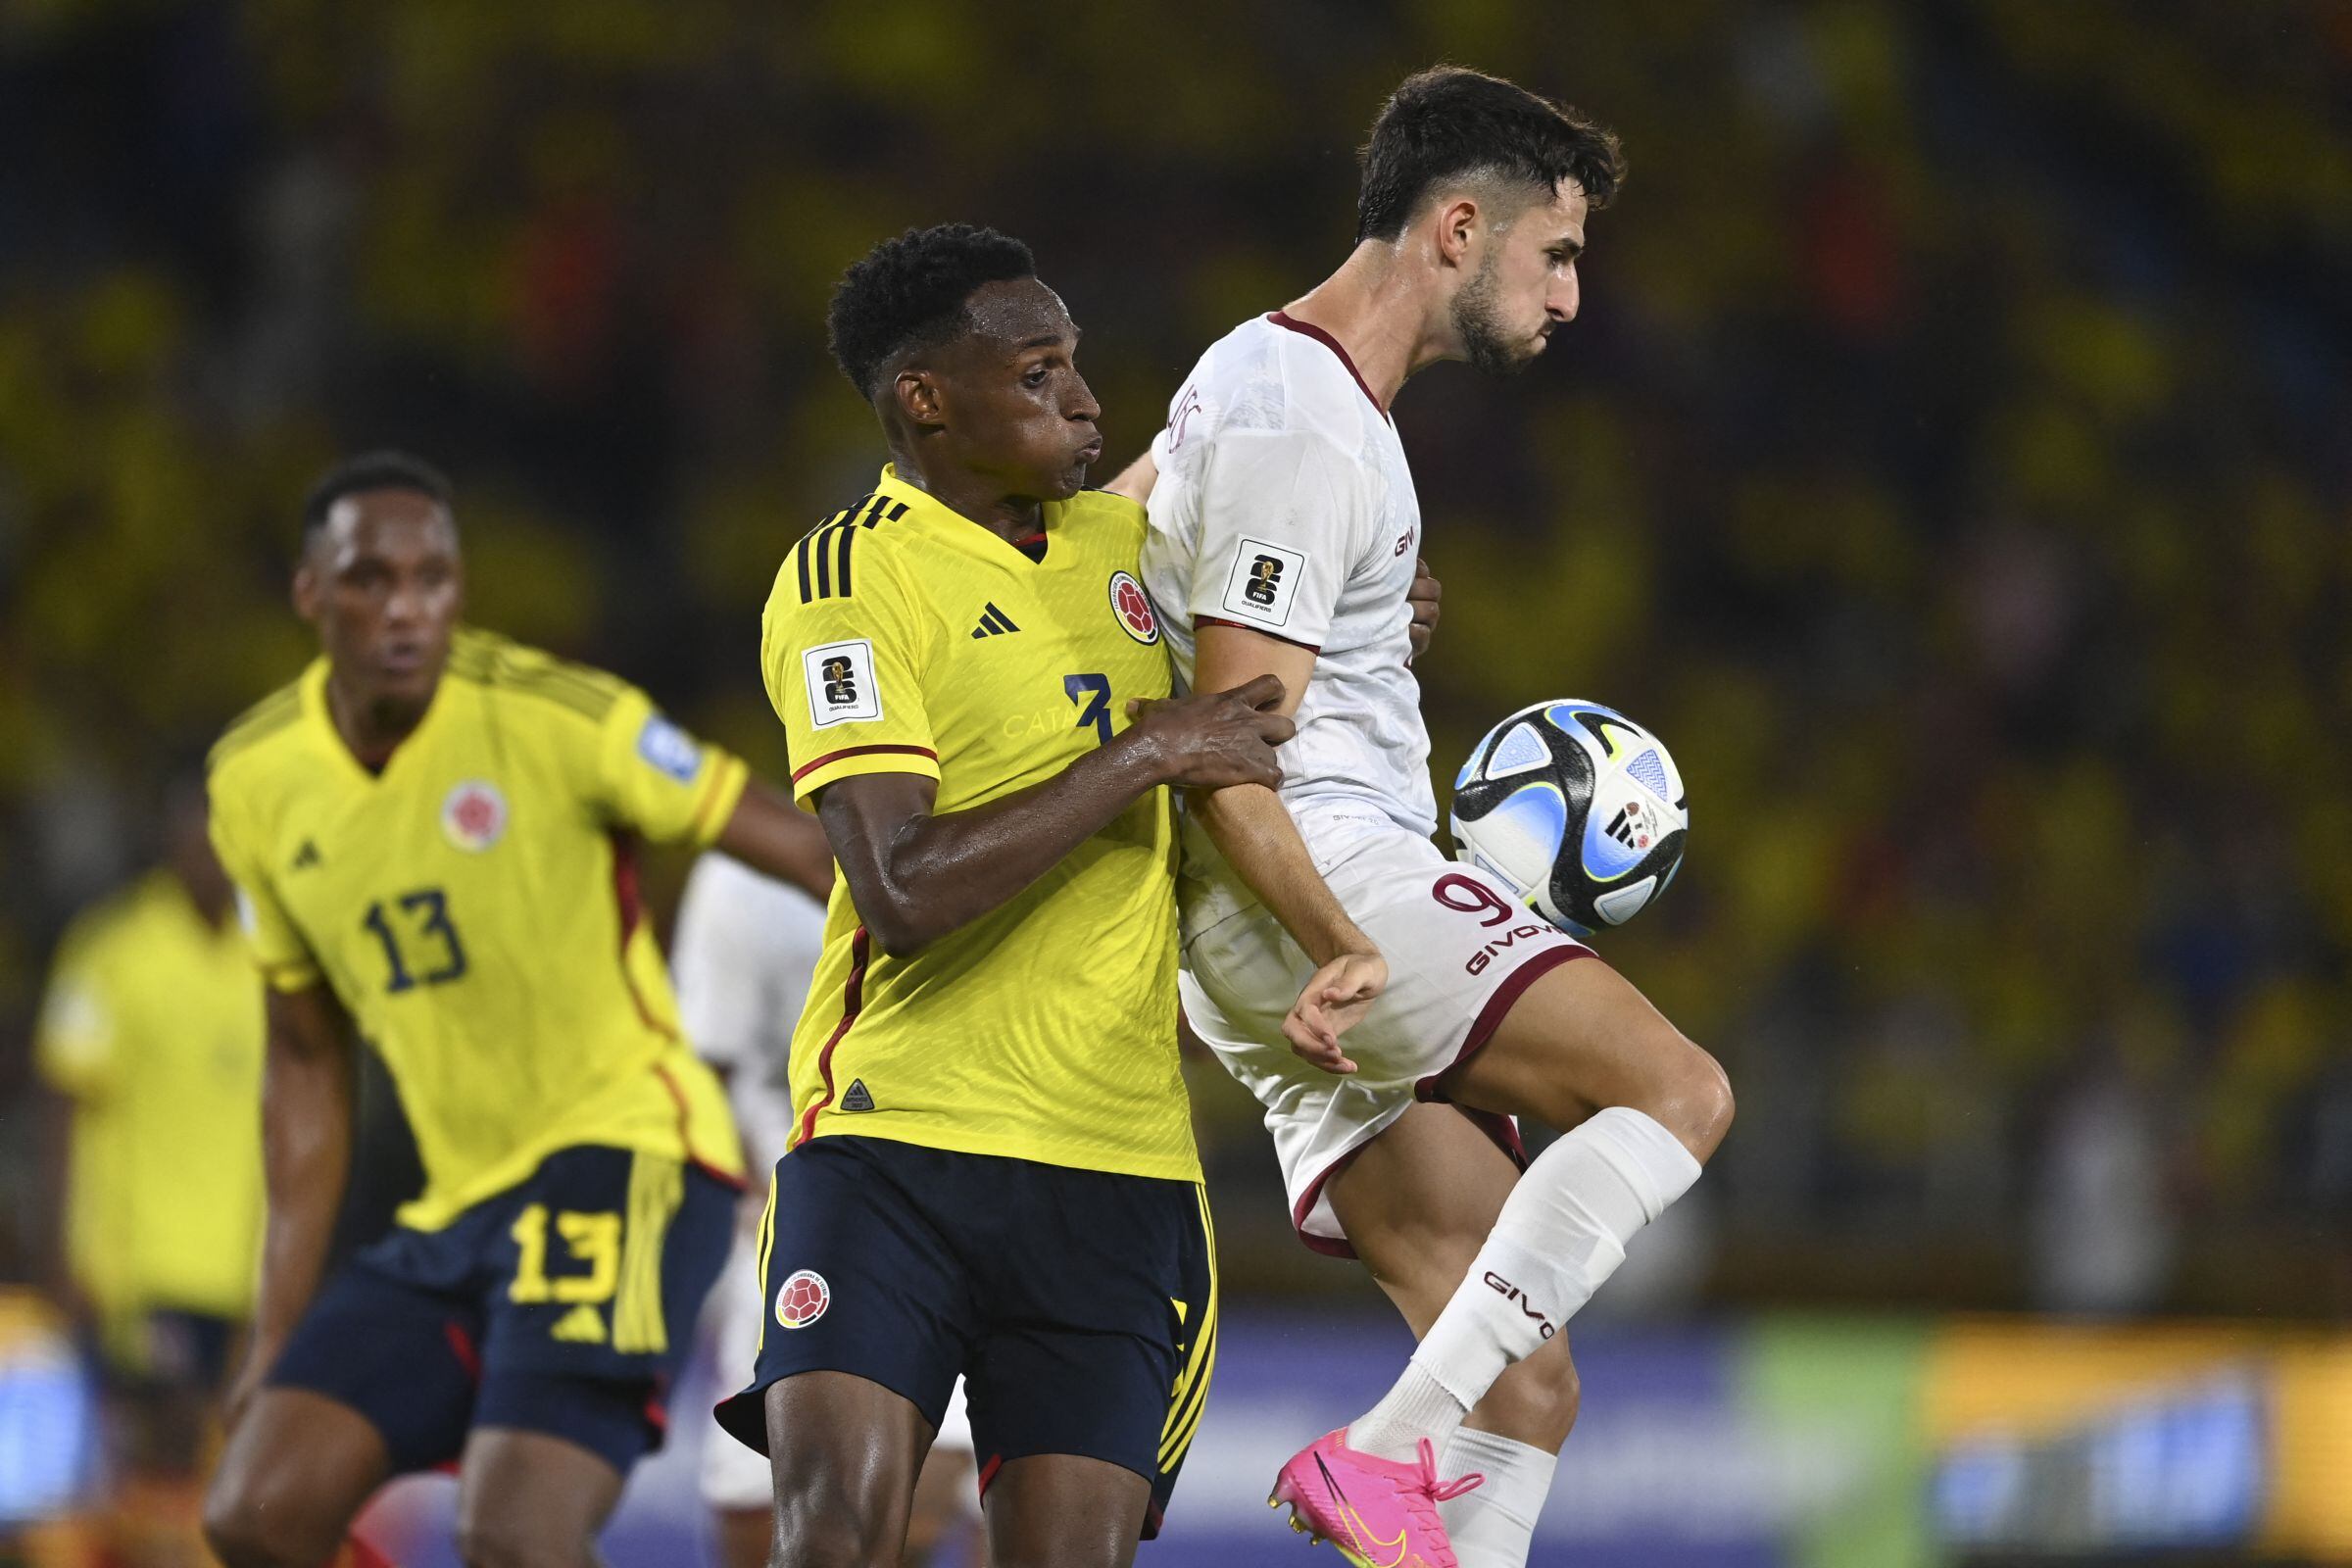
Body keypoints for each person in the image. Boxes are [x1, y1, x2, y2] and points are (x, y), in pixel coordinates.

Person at [1137, 68, 1735, 1568]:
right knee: (1678, 1093)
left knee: (1523, 1379)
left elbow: (1116, 548)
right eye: (1558, 254)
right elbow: (1233, 742)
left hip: (1269, 910)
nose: (1572, 296)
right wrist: (1336, 937)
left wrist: (1346, 610)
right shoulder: (1302, 420)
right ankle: (1380, 1447)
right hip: (1318, 877)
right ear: (1459, 228)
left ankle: (1413, 1461)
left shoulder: (1275, 390)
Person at [711, 223, 1293, 1568]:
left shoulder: (1137, 550)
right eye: (1038, 374)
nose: (1084, 400)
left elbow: (1299, 616)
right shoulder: (853, 577)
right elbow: (899, 886)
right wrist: (1145, 752)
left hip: (1119, 1164)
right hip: (896, 1147)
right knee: (833, 1541)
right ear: (927, 398)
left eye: (1075, 364)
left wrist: (1368, 603)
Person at [199, 451, 836, 1568]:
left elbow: (816, 855)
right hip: (459, 1206)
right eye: (370, 579)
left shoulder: (555, 719)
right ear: (310, 592)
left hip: (629, 1160)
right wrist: (273, 1332)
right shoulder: (254, 782)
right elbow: (302, 1061)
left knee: (513, 1532)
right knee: (256, 1511)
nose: (407, 608)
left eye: (432, 578)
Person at [670, 853, 981, 1568]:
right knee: (762, 1520)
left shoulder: (986, 842)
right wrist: (753, 1192)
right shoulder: (742, 877)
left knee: (923, 1507)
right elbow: (707, 1061)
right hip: (794, 1221)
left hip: (953, 1207)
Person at [35, 775, 265, 1568]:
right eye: (195, 838)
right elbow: (62, 1103)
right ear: (169, 842)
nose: (210, 857)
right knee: (161, 1448)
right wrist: (61, 1248)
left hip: (245, 1266)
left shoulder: (270, 959)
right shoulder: (114, 952)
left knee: (223, 1459)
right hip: (143, 1261)